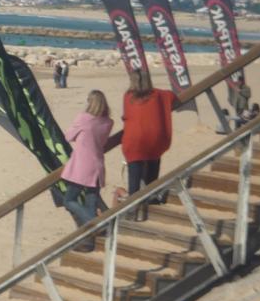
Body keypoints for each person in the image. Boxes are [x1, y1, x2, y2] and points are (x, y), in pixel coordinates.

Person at [61, 90, 113, 250]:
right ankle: (88, 242)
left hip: (82, 166)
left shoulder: (84, 118)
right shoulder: (107, 122)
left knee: (69, 200)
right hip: (97, 166)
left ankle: (95, 223)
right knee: (90, 202)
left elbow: (68, 136)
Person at [121, 70, 176, 218]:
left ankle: (132, 213)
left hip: (134, 141)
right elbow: (172, 96)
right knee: (152, 173)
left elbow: (126, 116)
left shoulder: (128, 97)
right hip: (154, 140)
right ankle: (150, 203)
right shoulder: (158, 95)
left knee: (134, 181)